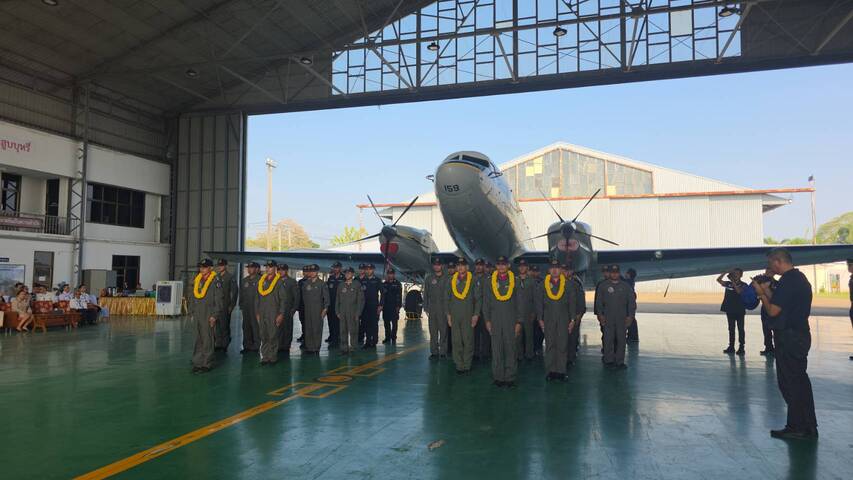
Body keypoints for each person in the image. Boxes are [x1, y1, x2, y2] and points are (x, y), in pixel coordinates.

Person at [753, 248, 818, 440]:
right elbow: (780, 303)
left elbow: (773, 311)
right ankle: (807, 425)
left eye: (771, 263)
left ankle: (797, 426)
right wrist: (766, 291)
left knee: (790, 383)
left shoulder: (788, 282)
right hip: (798, 335)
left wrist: (761, 295)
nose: (770, 267)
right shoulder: (798, 279)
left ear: (777, 261)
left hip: (789, 338)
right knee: (799, 382)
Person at [483, 256, 522, 387]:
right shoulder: (490, 282)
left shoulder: (515, 281)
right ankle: (498, 377)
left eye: (503, 264)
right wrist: (487, 320)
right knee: (496, 349)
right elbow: (486, 303)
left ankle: (510, 377)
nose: (501, 266)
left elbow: (520, 303)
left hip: (511, 320)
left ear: (508, 266)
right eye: (499, 264)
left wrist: (519, 322)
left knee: (510, 349)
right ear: (496, 266)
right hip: (495, 320)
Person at [537, 260, 576, 381]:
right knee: (550, 345)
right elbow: (539, 303)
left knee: (562, 345)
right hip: (548, 318)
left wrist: (572, 319)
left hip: (563, 318)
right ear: (549, 270)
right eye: (552, 268)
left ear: (561, 270)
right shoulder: (543, 284)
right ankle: (551, 371)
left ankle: (561, 371)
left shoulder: (568, 285)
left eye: (557, 268)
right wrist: (540, 318)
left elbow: (572, 303)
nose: (554, 270)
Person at [595, 264, 636, 369]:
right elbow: (599, 302)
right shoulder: (603, 286)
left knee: (621, 340)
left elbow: (631, 302)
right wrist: (600, 315)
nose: (614, 274)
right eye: (612, 272)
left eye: (616, 272)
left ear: (619, 273)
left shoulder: (626, 286)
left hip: (622, 318)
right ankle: (608, 360)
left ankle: (620, 361)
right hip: (608, 317)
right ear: (610, 273)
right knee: (608, 339)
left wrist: (630, 316)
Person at [188, 259, 224, 373]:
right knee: (198, 338)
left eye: (204, 267)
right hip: (197, 313)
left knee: (207, 338)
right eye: (201, 267)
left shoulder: (215, 280)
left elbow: (219, 300)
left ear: (210, 268)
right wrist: (191, 312)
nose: (202, 269)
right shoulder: (198, 279)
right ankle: (197, 362)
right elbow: (193, 296)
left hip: (208, 313)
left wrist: (214, 315)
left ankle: (206, 363)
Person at [445, 258, 479, 374]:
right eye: (458, 265)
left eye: (463, 265)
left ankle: (467, 365)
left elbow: (478, 299)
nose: (460, 267)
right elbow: (447, 298)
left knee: (468, 340)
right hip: (455, 315)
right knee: (456, 341)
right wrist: (448, 314)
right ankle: (459, 365)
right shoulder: (451, 280)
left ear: (467, 267)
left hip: (468, 315)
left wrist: (476, 315)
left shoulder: (473, 280)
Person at [255, 261, 288, 365]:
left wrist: (281, 314)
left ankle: (272, 357)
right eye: (266, 267)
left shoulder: (279, 282)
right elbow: (257, 298)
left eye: (270, 267)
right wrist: (257, 312)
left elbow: (283, 299)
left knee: (272, 335)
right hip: (262, 312)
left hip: (273, 312)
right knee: (263, 334)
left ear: (275, 269)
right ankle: (265, 357)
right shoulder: (262, 281)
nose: (268, 269)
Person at [423, 257, 449, 359]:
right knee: (433, 332)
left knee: (443, 331)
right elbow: (426, 294)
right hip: (432, 309)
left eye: (438, 265)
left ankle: (443, 352)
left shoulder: (448, 278)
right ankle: (434, 352)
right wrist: (425, 307)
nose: (437, 266)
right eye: (435, 265)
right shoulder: (429, 279)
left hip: (443, 309)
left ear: (441, 266)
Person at [717, 268, 747, 355]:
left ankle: (741, 347)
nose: (735, 275)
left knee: (740, 329)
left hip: (739, 309)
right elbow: (719, 280)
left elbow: (738, 291)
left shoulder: (744, 285)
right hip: (730, 309)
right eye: (734, 273)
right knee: (731, 329)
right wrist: (724, 272)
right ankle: (731, 346)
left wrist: (732, 281)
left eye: (737, 273)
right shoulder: (728, 283)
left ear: (741, 275)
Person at [301, 264, 330, 354]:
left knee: (316, 328)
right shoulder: (306, 283)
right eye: (310, 271)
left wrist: (325, 309)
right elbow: (303, 296)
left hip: (318, 310)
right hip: (308, 309)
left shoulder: (322, 284)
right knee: (308, 328)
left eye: (314, 271)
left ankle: (316, 348)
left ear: (317, 272)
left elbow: (326, 298)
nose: (312, 273)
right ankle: (309, 347)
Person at [336, 267, 364, 354]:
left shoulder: (357, 285)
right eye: (346, 273)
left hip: (353, 311)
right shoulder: (341, 285)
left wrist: (358, 312)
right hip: (342, 311)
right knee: (343, 330)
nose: (347, 275)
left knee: (353, 330)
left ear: (352, 274)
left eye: (349, 273)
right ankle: (344, 348)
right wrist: (337, 311)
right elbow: (337, 299)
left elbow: (361, 300)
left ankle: (353, 347)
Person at [512, 259, 536, 361]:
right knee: (517, 335)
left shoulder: (532, 281)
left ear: (527, 268)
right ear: (518, 268)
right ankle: (519, 355)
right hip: (516, 312)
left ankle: (529, 354)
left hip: (528, 311)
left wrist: (534, 312)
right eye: (520, 266)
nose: (522, 268)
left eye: (524, 266)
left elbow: (535, 297)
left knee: (529, 335)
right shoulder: (514, 280)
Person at [214, 259, 238, 352]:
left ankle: (225, 344)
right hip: (217, 306)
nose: (220, 267)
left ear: (226, 266)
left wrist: (231, 306)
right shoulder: (216, 277)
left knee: (224, 325)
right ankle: (218, 343)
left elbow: (234, 292)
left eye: (222, 265)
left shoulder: (230, 277)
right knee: (217, 325)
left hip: (225, 305)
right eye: (219, 265)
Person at [566, 263, 586, 367]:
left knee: (572, 338)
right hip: (561, 316)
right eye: (564, 270)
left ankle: (570, 358)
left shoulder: (576, 284)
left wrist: (579, 315)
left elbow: (581, 300)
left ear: (572, 271)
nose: (566, 272)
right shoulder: (557, 283)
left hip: (573, 315)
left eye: (568, 270)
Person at [277, 264, 300, 354]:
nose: (280, 272)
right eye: (279, 270)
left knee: (287, 328)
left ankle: (286, 346)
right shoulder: (275, 281)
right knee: (278, 327)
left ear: (286, 271)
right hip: (277, 309)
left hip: (288, 308)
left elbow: (296, 296)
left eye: (282, 270)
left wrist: (294, 308)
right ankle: (278, 345)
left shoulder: (292, 282)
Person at [239, 261, 261, 354]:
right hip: (246, 307)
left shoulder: (261, 280)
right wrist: (241, 305)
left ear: (257, 269)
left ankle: (256, 346)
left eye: (251, 268)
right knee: (246, 326)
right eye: (248, 268)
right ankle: (247, 346)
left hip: (256, 308)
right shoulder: (244, 280)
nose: (249, 269)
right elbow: (241, 294)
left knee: (255, 327)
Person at [757, 267, 778, 356]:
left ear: (774, 273)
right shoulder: (760, 282)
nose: (768, 272)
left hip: (775, 308)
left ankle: (778, 348)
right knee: (766, 329)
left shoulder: (777, 283)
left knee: (776, 330)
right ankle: (768, 348)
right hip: (765, 309)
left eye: (770, 271)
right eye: (767, 271)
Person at [472, 258, 491, 361]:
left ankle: (485, 353)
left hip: (485, 310)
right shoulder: (471, 278)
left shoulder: (489, 278)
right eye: (477, 265)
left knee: (486, 332)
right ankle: (475, 353)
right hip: (474, 310)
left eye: (481, 265)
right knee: (474, 333)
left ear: (484, 266)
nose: (479, 267)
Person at [360, 264, 381, 349]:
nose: (368, 271)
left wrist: (381, 305)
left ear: (373, 270)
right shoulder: (363, 280)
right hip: (364, 306)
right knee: (366, 324)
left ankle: (374, 341)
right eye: (367, 269)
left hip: (374, 305)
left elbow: (383, 293)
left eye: (370, 269)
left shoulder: (377, 280)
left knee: (374, 324)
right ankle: (368, 342)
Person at [380, 268, 403, 344]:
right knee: (386, 323)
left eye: (391, 274)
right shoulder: (384, 284)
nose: (390, 275)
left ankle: (393, 337)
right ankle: (387, 337)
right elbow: (382, 296)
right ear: (387, 274)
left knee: (394, 323)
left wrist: (398, 306)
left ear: (394, 274)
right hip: (386, 306)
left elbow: (399, 296)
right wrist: (381, 305)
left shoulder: (398, 284)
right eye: (389, 274)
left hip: (394, 306)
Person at [325, 262, 345, 348]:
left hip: (340, 304)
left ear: (340, 268)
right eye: (334, 267)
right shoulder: (331, 278)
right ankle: (331, 335)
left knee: (337, 322)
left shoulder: (343, 278)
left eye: (337, 267)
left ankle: (336, 339)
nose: (335, 269)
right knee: (330, 321)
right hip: (331, 303)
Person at [623, 268, 639, 343]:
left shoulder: (628, 282)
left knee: (630, 321)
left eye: (627, 273)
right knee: (631, 320)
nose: (625, 274)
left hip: (629, 306)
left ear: (629, 274)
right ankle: (632, 336)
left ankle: (632, 337)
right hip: (631, 305)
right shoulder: (630, 282)